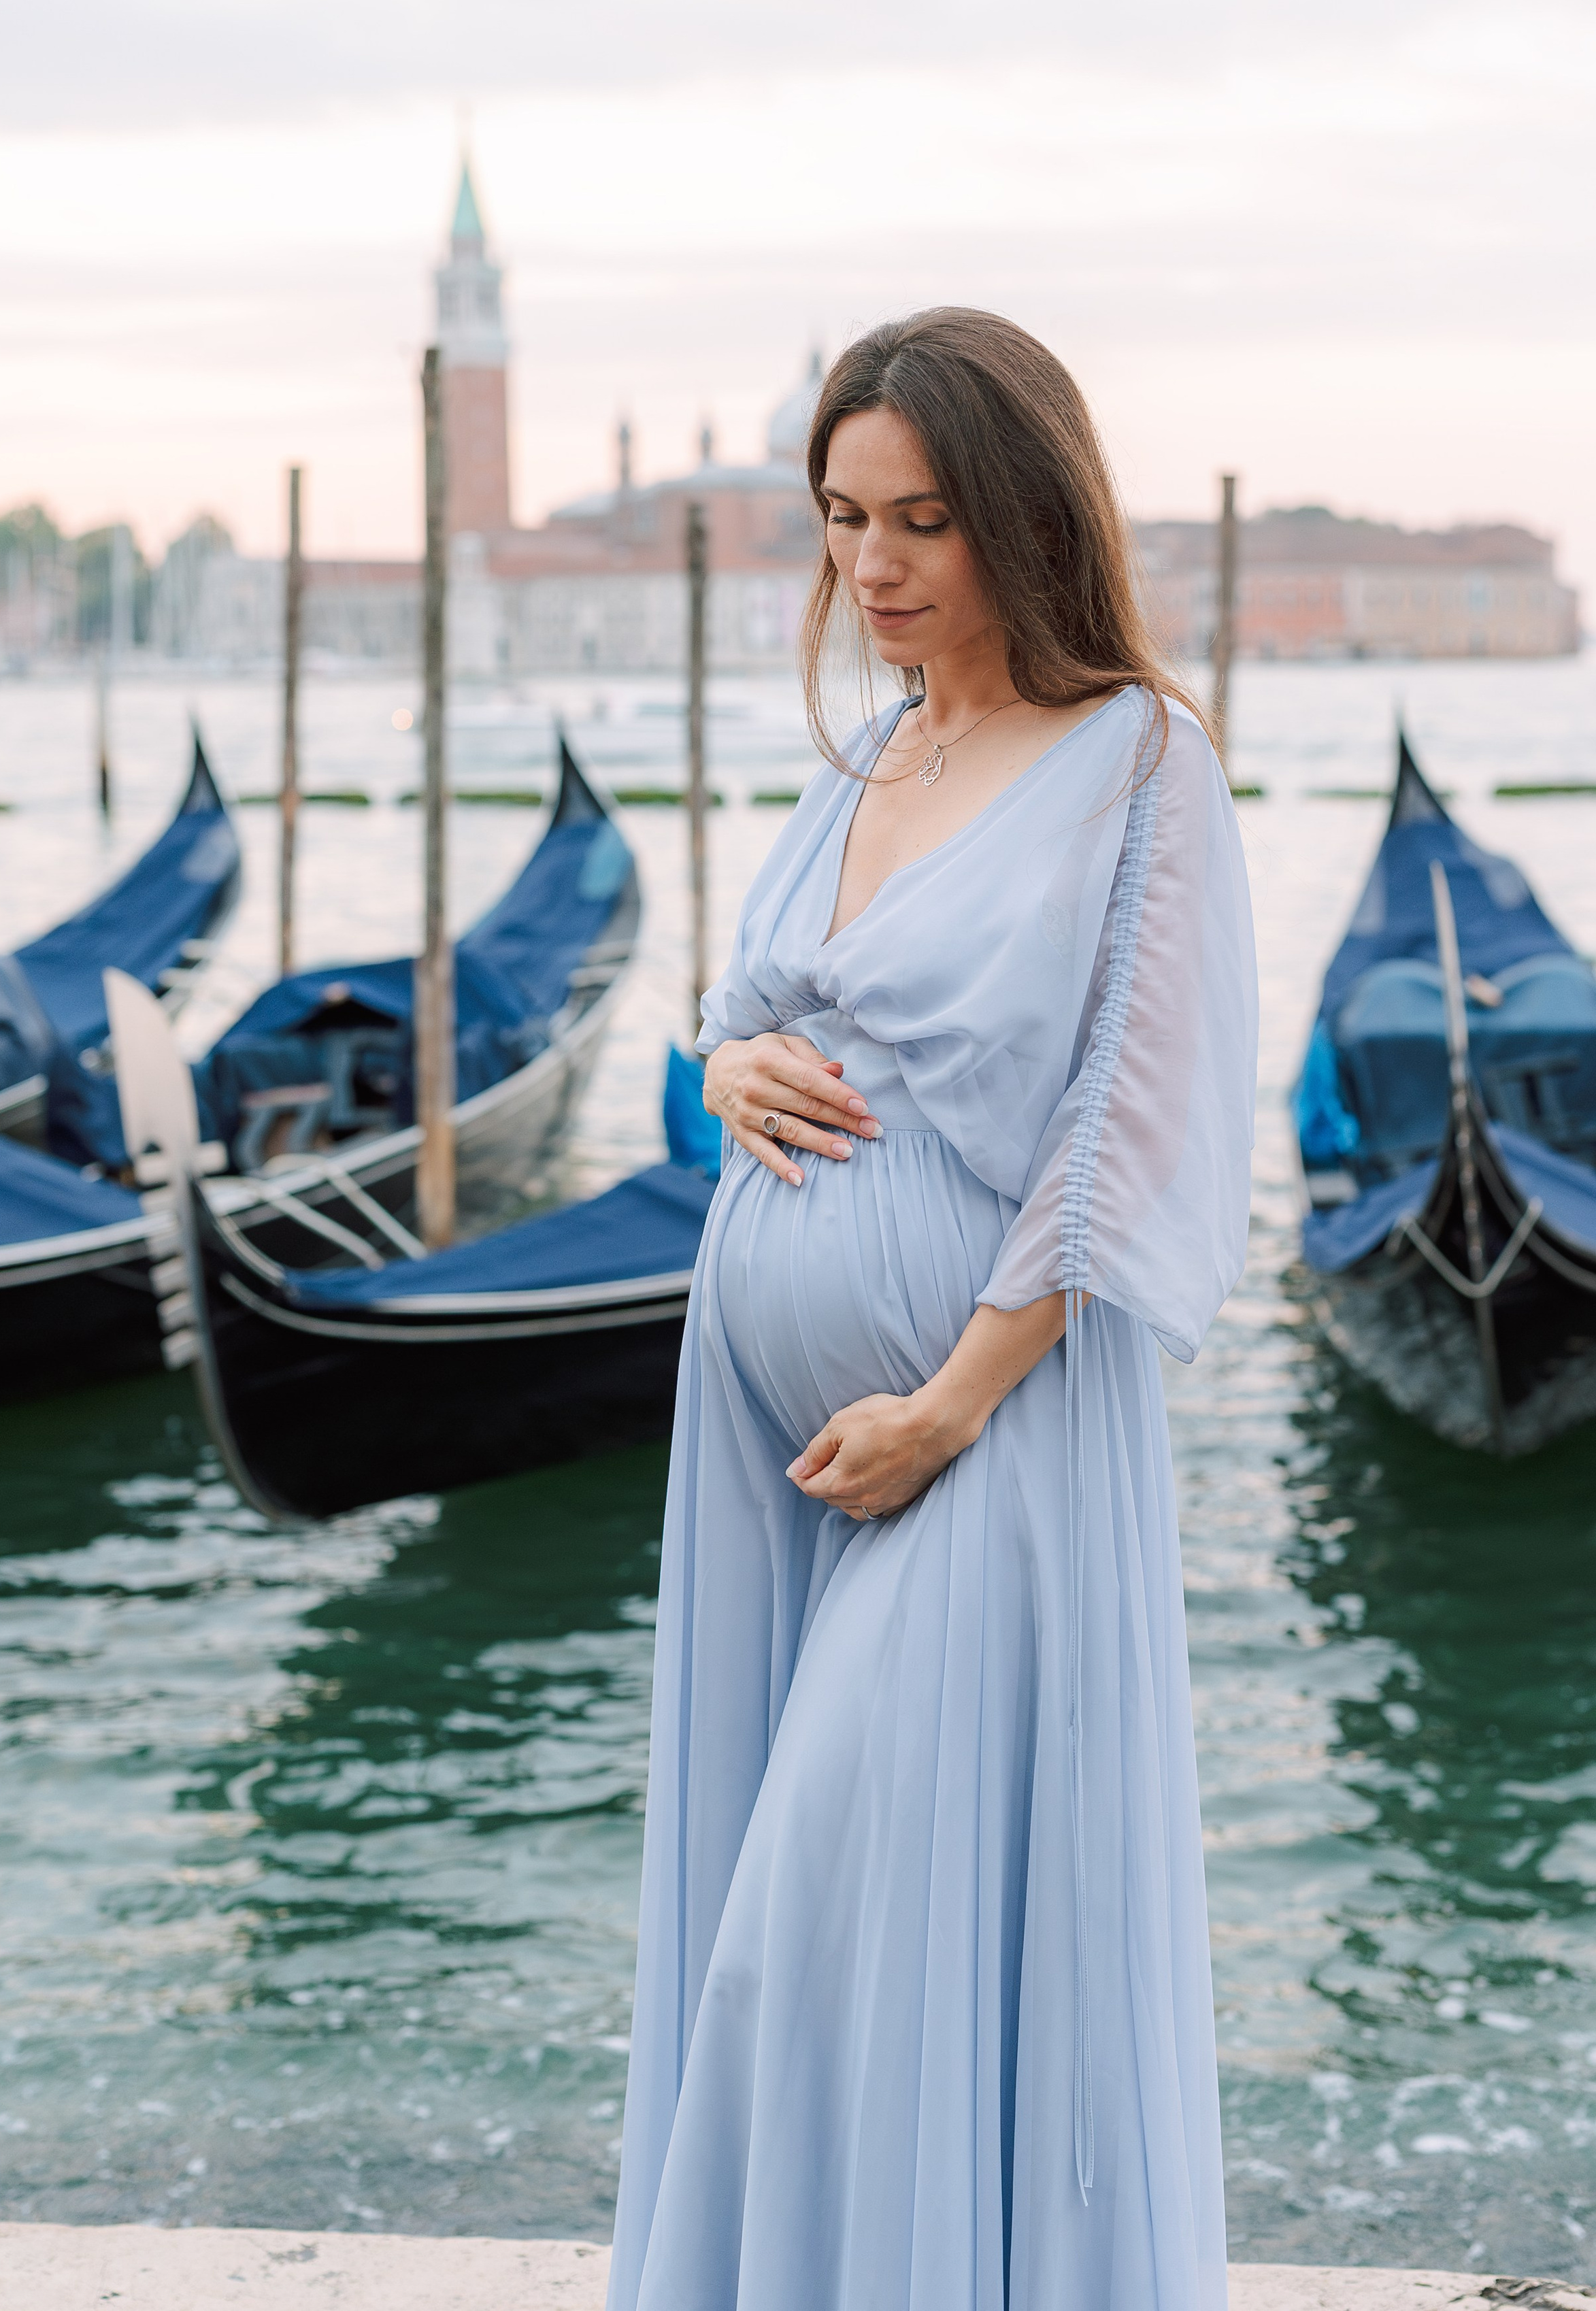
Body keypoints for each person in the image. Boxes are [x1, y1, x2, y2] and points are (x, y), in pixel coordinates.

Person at [608, 308, 1257, 2311]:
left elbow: (1125, 1139)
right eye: (841, 519)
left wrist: (948, 1406)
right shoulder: (873, 754)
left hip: (976, 1432)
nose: (872, 566)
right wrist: (719, 1070)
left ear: (1027, 521)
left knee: (813, 1925)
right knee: (779, 1916)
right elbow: (760, 1018)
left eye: (922, 521)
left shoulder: (1141, 762)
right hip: (773, 1442)